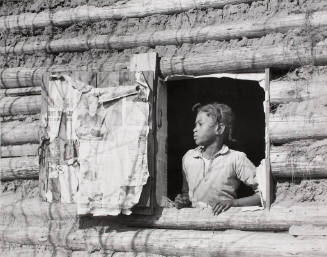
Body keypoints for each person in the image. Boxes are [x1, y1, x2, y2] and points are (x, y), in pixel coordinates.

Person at [174, 102, 261, 215]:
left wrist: (234, 203)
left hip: (223, 225)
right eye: (195, 125)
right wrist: (182, 200)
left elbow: (264, 194)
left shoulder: (236, 158)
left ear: (219, 129)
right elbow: (186, 193)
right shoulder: (189, 158)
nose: (194, 129)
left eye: (200, 124)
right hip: (193, 226)